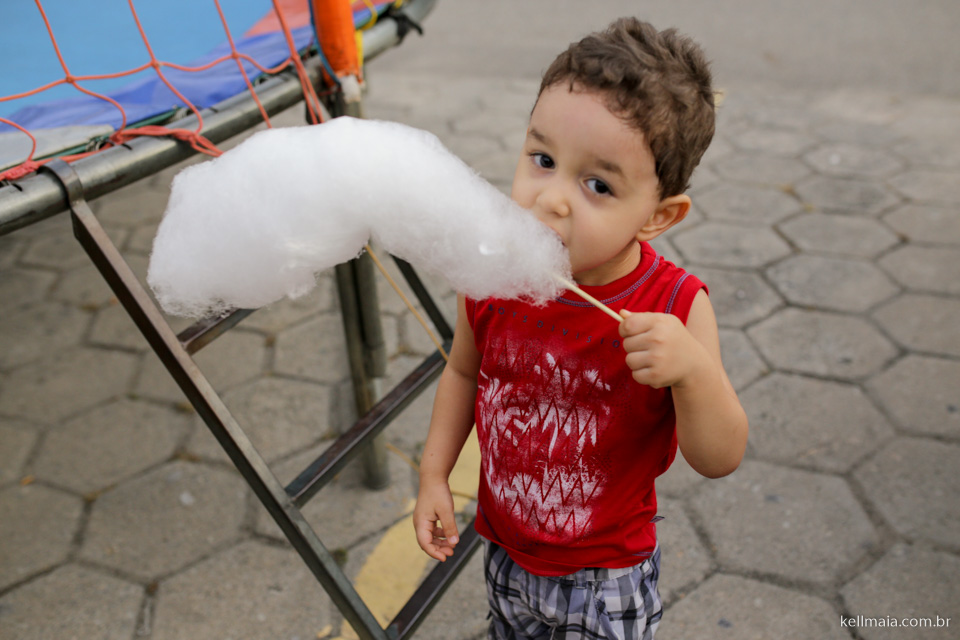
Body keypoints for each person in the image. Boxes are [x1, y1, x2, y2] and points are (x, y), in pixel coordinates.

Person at [413, 17, 748, 640]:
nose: (552, 199)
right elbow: (462, 371)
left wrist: (693, 373)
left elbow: (719, 458)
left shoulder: (673, 307)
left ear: (658, 216)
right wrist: (434, 474)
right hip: (504, 549)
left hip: (605, 575)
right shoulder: (494, 278)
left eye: (597, 185)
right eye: (542, 160)